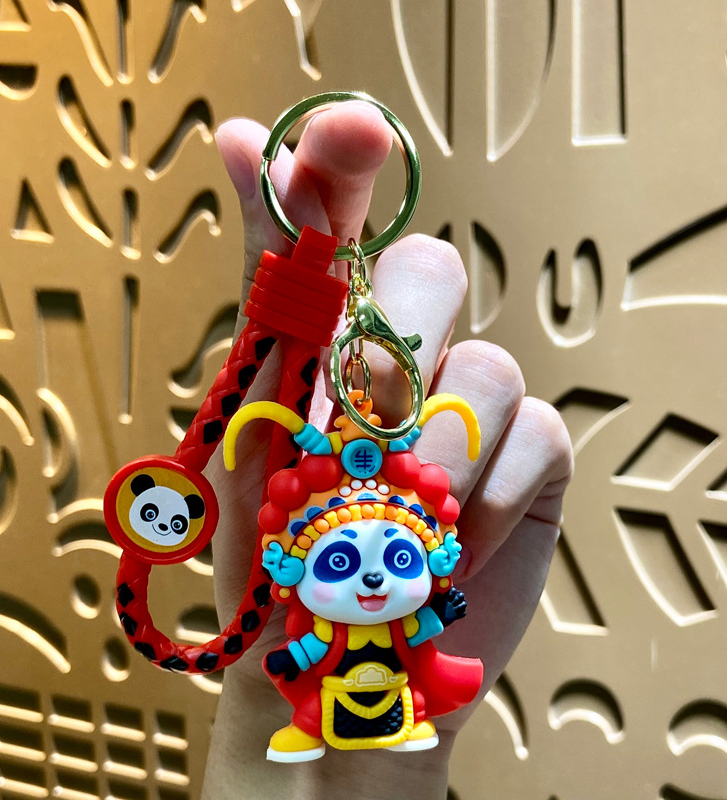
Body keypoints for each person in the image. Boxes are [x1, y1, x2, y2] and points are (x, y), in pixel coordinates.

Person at [202, 101, 573, 799]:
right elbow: (298, 656)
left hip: (397, 709)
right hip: (320, 699)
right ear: (293, 570)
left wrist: (383, 774)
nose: (372, 581)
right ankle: (308, 729)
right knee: (316, 707)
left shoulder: (397, 616)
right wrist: (267, 690)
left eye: (399, 561)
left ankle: (378, 734)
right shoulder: (314, 625)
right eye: (341, 564)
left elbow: (425, 621)